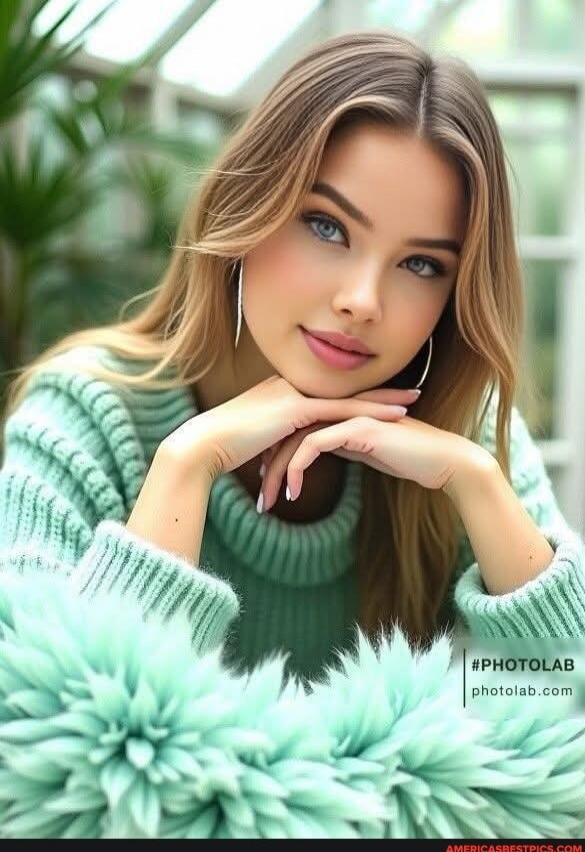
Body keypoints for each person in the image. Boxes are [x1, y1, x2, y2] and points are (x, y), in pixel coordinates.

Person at [2, 29, 585, 695]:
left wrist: (477, 483)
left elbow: (557, 718)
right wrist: (186, 467)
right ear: (247, 204)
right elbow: (40, 734)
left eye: (420, 264)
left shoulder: (461, 433)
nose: (361, 301)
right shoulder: (90, 410)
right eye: (326, 226)